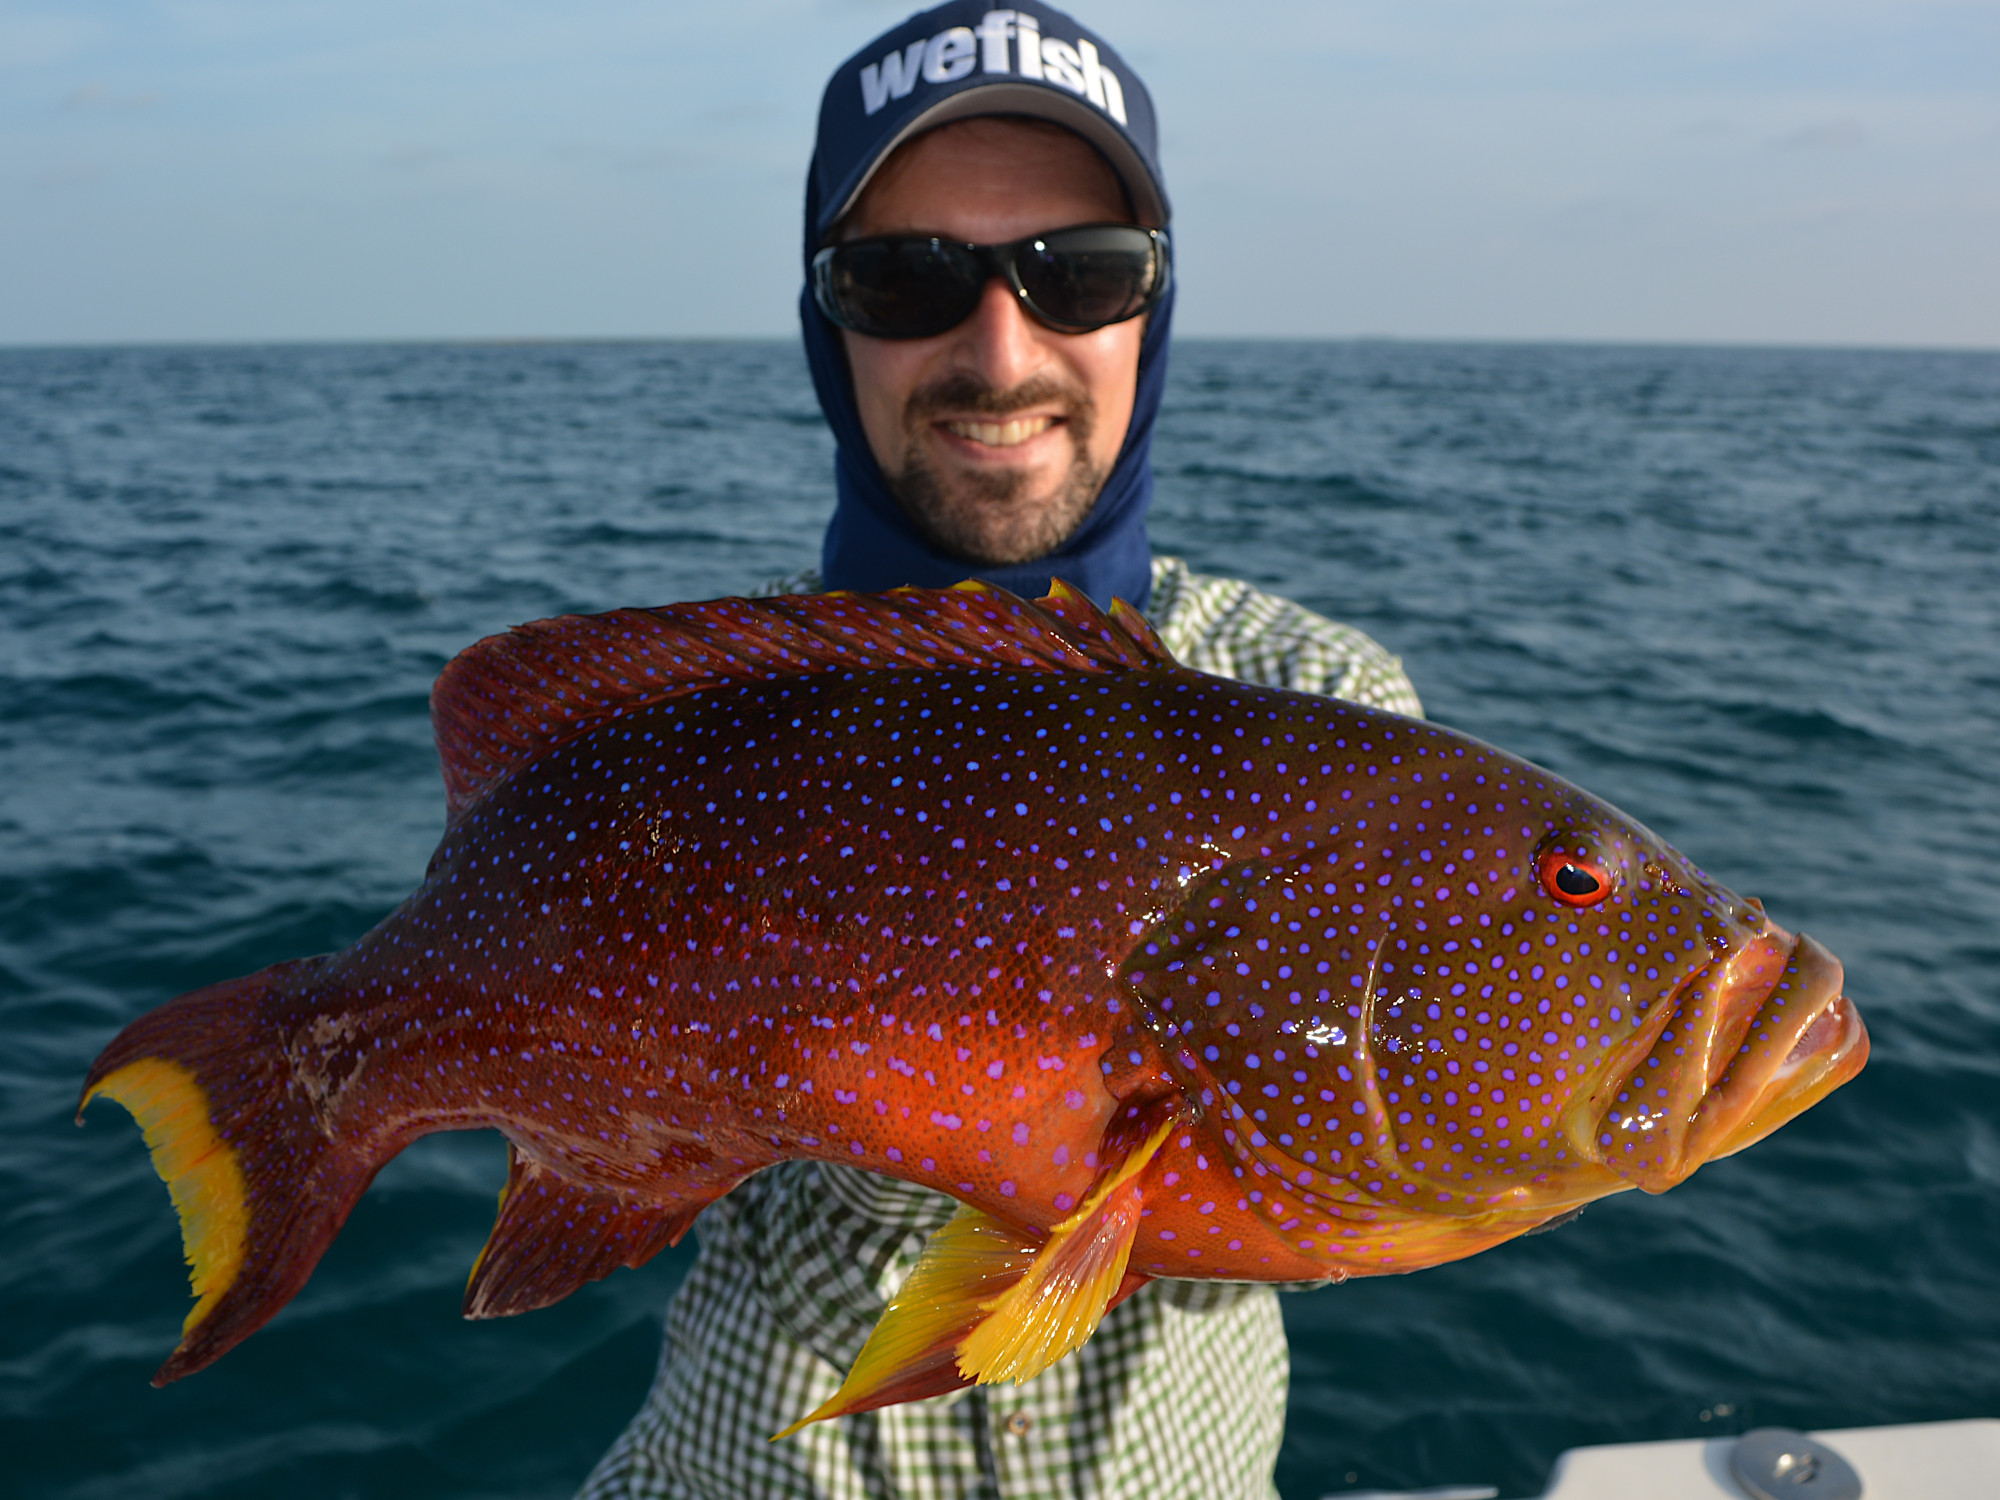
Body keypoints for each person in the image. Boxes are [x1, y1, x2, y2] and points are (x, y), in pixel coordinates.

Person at [579, 5, 1420, 1496]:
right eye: (902, 278)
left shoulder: (1323, 704)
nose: (999, 348)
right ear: (825, 325)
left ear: (1155, 310)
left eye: (1080, 272)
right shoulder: (697, 732)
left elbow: (1333, 1160)